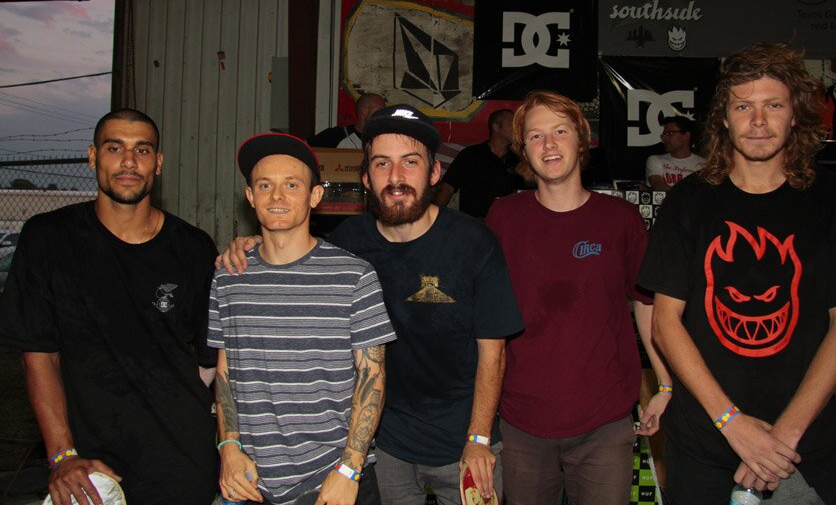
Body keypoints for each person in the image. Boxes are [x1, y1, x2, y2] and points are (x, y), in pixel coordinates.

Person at [220, 106, 523, 505]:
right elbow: (296, 252)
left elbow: (494, 354)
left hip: (465, 441)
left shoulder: (474, 243)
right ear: (366, 178)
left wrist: (479, 438)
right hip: (387, 446)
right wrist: (254, 244)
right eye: (382, 164)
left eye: (410, 163)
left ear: (434, 173)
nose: (396, 178)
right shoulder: (348, 243)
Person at [638, 43, 836, 504]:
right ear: (724, 118)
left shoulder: (834, 200)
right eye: (743, 106)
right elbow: (666, 324)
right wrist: (733, 424)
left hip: (799, 448)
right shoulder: (688, 202)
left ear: (794, 114)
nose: (758, 120)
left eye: (773, 104)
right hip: (703, 446)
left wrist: (781, 441)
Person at [0, 109, 219, 505]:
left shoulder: (193, 246)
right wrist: (62, 454)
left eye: (143, 150)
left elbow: (211, 360)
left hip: (180, 462)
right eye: (114, 148)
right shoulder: (48, 239)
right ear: (92, 157)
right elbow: (38, 356)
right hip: (87, 462)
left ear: (159, 162)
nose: (129, 161)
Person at [485, 90, 671, 505]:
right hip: (522, 421)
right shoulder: (504, 217)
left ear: (581, 140)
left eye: (560, 131)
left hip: (605, 421)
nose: (549, 145)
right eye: (535, 136)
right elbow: (485, 321)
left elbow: (646, 303)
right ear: (523, 150)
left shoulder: (619, 218)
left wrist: (664, 381)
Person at [209, 133, 396, 505]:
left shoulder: (354, 275)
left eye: (291, 185)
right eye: (265, 185)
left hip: (330, 480)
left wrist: (350, 469)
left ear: (314, 196)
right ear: (250, 196)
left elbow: (372, 377)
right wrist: (228, 446)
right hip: (251, 481)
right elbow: (225, 370)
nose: (277, 196)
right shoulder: (229, 276)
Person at [434, 109, 522, 218]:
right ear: (496, 127)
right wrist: (433, 219)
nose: (516, 128)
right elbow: (448, 188)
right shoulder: (471, 155)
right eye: (511, 124)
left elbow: (529, 190)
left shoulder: (516, 159)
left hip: (505, 222)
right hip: (474, 223)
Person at [645, 115, 704, 191]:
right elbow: (658, 185)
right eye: (664, 135)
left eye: (670, 133)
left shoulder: (703, 164)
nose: (664, 139)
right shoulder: (655, 160)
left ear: (686, 136)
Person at [309, 93, 386, 149]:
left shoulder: (385, 138)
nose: (383, 114)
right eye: (379, 110)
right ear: (364, 111)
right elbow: (304, 148)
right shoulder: (336, 135)